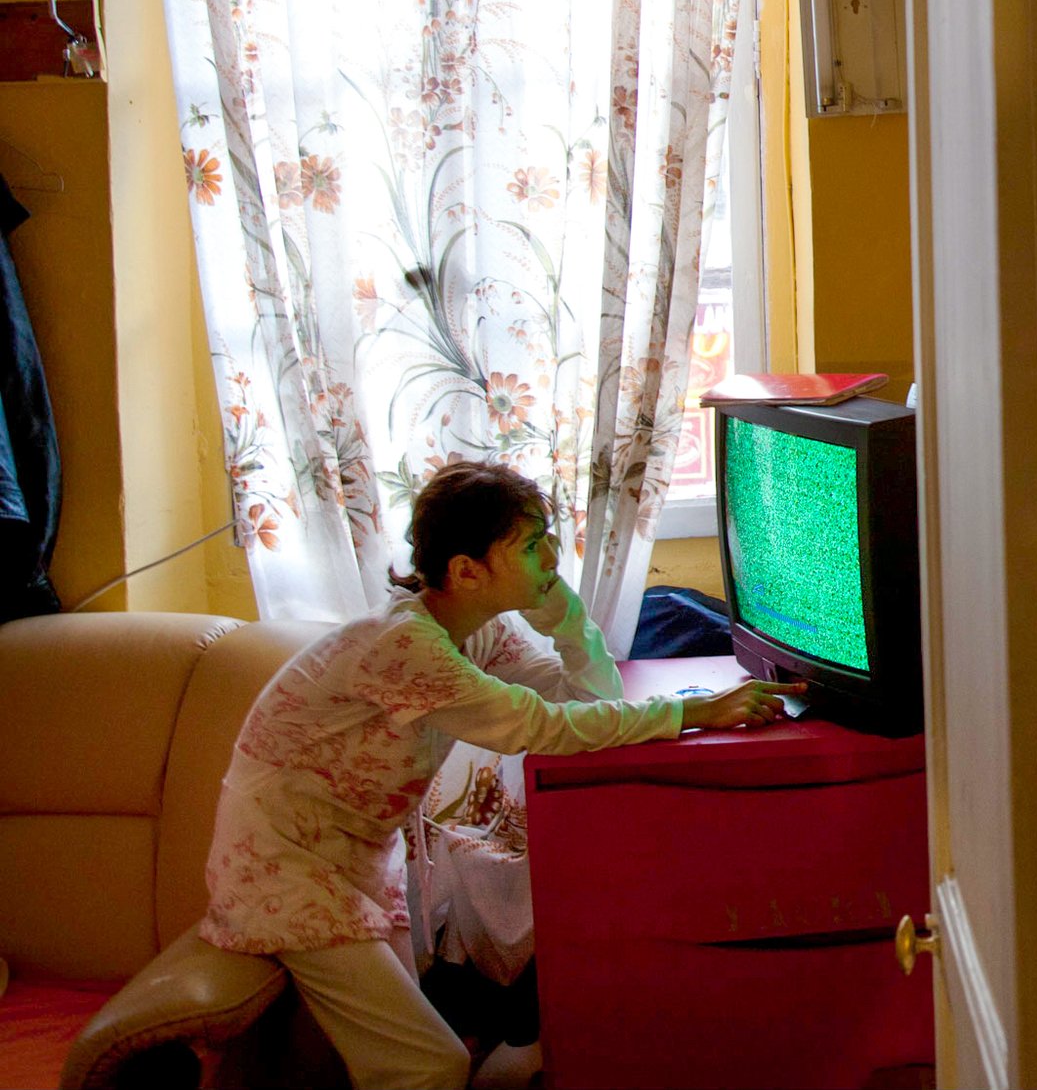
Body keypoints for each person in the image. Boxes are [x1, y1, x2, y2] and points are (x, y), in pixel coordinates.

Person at [198, 460, 804, 1089]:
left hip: (355, 859)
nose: (551, 558)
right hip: (290, 865)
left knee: (410, 1054)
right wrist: (693, 711)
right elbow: (537, 726)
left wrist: (569, 622)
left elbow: (582, 707)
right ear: (467, 571)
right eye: (533, 546)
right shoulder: (403, 646)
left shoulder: (474, 629)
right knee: (426, 1064)